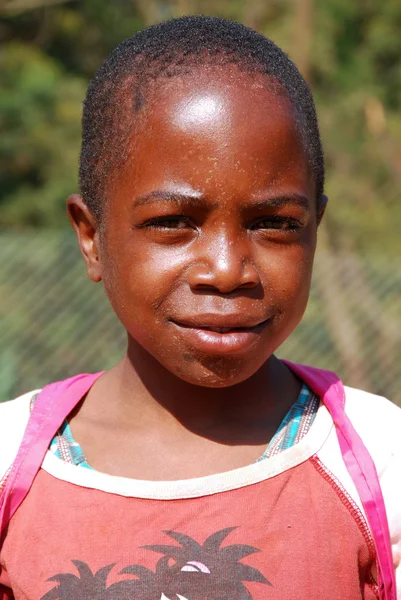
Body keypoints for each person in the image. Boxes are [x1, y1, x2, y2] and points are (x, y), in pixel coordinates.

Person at [0, 15, 400, 600]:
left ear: (316, 228)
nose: (228, 270)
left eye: (275, 224)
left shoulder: (380, 461)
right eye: (172, 223)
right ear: (92, 237)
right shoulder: (13, 464)